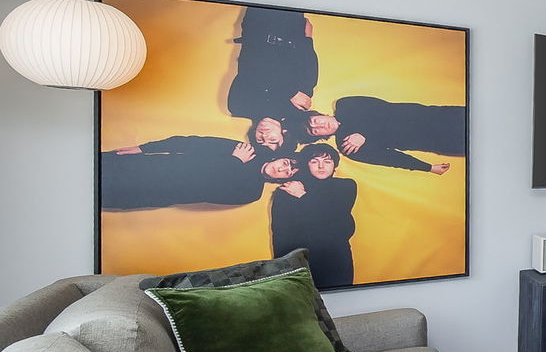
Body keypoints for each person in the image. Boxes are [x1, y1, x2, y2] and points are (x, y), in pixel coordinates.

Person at [101, 137, 299, 210]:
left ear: (284, 180)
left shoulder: (251, 193)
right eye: (286, 163)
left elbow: (208, 190)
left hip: (155, 192)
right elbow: (190, 143)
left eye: (288, 173)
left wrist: (234, 162)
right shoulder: (246, 149)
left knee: (90, 201)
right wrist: (144, 148)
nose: (282, 169)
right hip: (151, 166)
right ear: (279, 157)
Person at [299, 96, 465, 174]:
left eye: (315, 120)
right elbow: (389, 159)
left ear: (319, 114)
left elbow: (382, 108)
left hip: (439, 116)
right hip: (437, 142)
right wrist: (429, 168)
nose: (320, 125)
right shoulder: (346, 146)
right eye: (315, 131)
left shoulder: (346, 104)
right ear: (319, 137)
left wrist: (364, 134)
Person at [271, 144, 357, 288]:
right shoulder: (287, 189)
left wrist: (302, 196)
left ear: (335, 166)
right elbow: (280, 233)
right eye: (314, 161)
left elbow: (343, 228)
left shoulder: (345, 186)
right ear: (306, 164)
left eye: (327, 162)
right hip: (301, 262)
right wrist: (283, 270)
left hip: (336, 258)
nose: (321, 166)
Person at [227, 8, 318, 123]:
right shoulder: (296, 109)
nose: (265, 135)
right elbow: (308, 68)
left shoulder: (239, 107)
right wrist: (308, 39)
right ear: (283, 134)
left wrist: (289, 92)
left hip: (258, 30)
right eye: (273, 140)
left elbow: (248, 71)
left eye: (260, 140)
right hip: (293, 33)